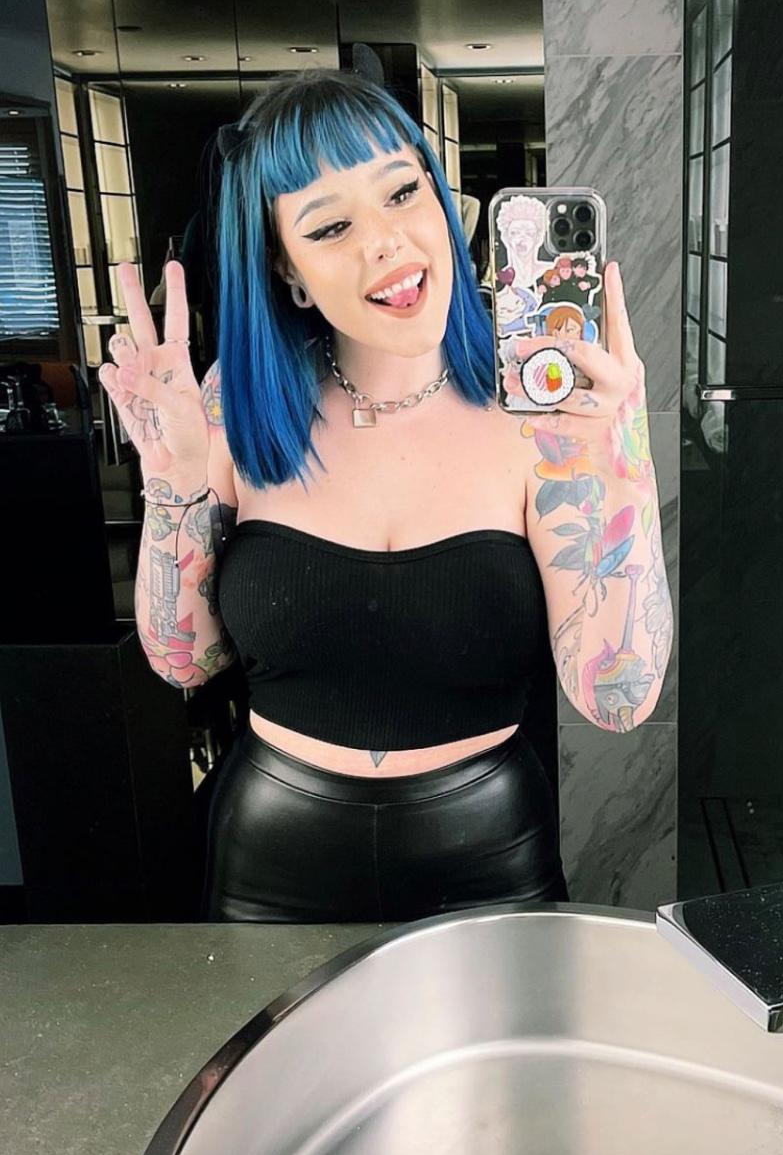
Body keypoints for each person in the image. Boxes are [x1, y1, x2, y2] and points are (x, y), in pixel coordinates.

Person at [97, 66, 666, 922]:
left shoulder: (545, 417)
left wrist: (622, 460)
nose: (386, 242)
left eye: (402, 192)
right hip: (269, 865)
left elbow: (615, 700)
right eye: (331, 225)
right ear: (286, 268)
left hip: (490, 861)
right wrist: (173, 478)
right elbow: (187, 662)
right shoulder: (229, 407)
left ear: (442, 203)